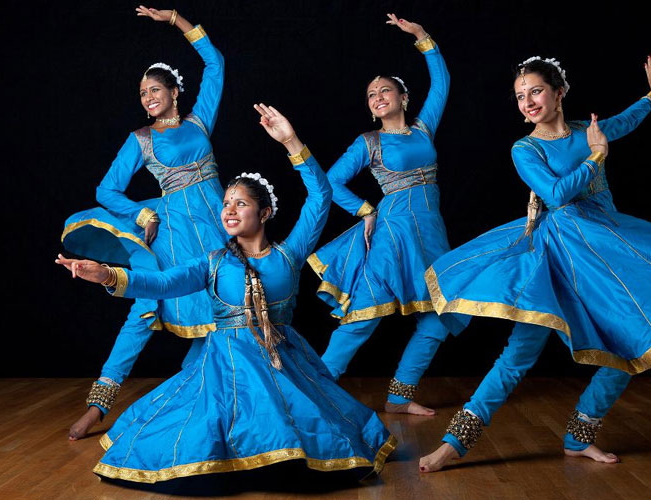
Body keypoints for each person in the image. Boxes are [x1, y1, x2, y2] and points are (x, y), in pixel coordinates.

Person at [418, 54, 651, 472]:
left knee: (628, 346)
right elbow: (556, 193)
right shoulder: (524, 148)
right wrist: (596, 158)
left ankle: (579, 437)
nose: (527, 102)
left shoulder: (589, 130)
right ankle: (453, 444)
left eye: (536, 91)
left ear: (558, 92)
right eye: (520, 96)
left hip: (606, 254)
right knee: (516, 357)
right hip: (553, 257)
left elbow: (626, 120)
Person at [55, 104, 396, 483]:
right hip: (226, 366)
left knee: (318, 429)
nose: (229, 209)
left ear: (264, 213)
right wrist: (107, 275)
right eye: (226, 203)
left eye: (241, 203)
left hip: (284, 360)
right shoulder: (213, 262)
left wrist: (291, 140)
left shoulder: (289, 253)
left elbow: (320, 195)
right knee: (204, 432)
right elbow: (163, 283)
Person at [60, 6, 227, 440]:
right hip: (171, 234)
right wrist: (141, 212)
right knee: (145, 310)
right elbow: (106, 191)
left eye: (154, 88)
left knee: (226, 310)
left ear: (175, 91)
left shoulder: (200, 122)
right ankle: (99, 404)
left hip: (221, 230)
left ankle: (198, 396)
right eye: (141, 92)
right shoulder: (142, 139)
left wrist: (176, 20)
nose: (147, 96)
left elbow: (216, 62)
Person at [308, 14, 455, 416]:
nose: (377, 96)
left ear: (403, 98)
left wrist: (423, 37)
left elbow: (441, 83)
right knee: (363, 313)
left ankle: (400, 395)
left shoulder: (424, 130)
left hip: (432, 232)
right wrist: (364, 208)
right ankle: (315, 394)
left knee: (441, 315)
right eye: (371, 94)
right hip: (392, 234)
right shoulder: (369, 142)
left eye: (385, 90)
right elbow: (329, 181)